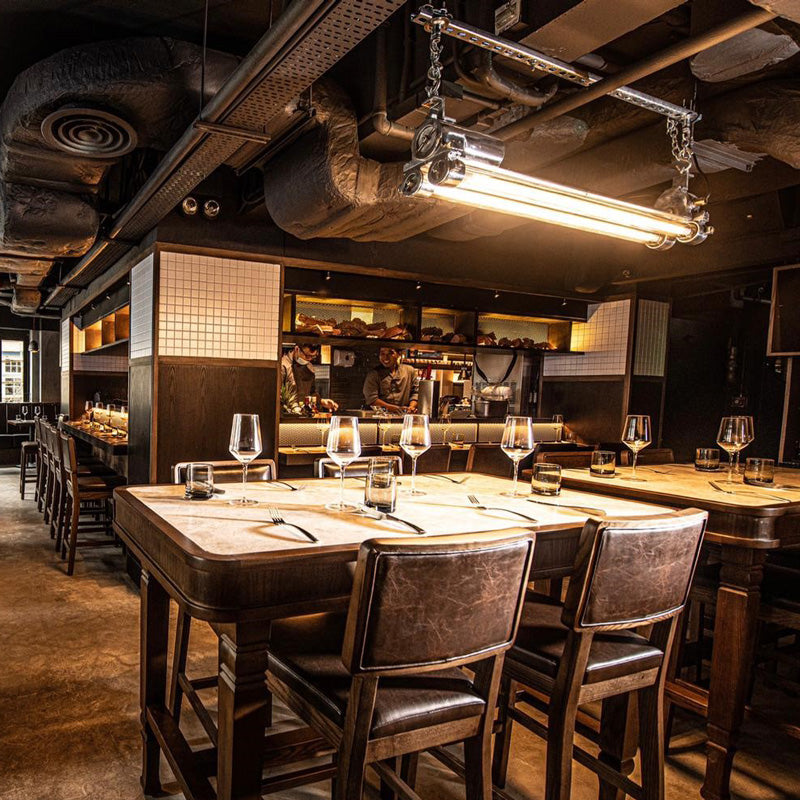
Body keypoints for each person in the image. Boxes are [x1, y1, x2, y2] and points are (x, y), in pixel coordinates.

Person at [280, 345, 338, 415]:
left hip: (304, 414)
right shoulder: (283, 365)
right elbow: (278, 396)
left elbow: (311, 392)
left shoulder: (309, 367)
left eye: (312, 357)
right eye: (307, 356)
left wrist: (322, 402)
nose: (309, 359)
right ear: (297, 349)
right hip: (286, 415)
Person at [363, 347, 419, 414]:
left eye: (390, 353)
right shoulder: (373, 374)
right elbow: (371, 399)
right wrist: (395, 409)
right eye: (382, 354)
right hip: (381, 417)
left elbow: (416, 393)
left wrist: (411, 407)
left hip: (405, 417)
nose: (386, 357)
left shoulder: (409, 371)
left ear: (399, 354)